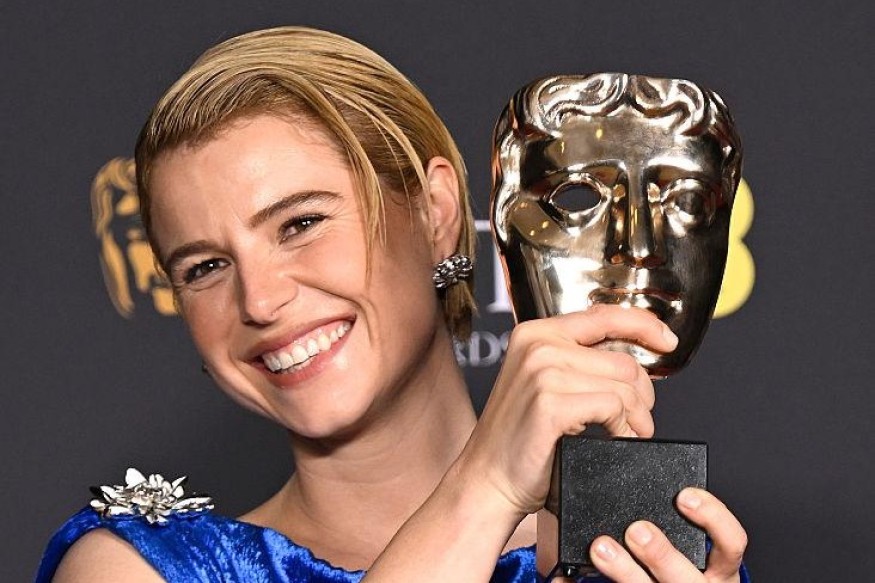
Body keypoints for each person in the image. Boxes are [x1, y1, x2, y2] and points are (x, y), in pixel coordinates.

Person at [37, 27, 748, 582]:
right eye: (205, 267)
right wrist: (485, 484)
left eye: (300, 223)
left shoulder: (649, 558)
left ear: (437, 213)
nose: (259, 299)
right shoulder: (136, 568)